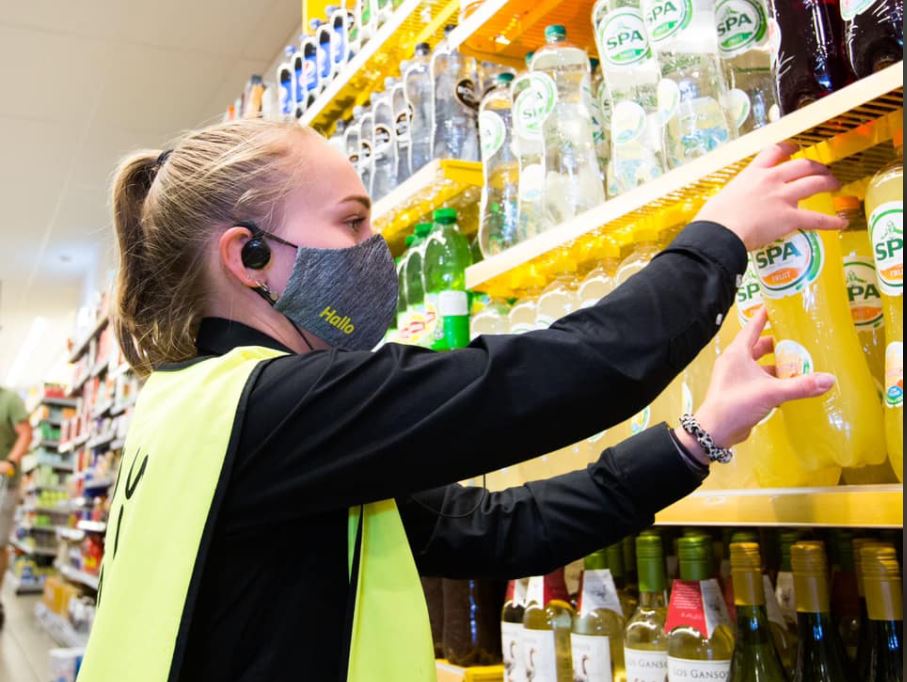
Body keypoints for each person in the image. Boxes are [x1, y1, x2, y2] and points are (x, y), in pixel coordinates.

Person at [78, 119, 844, 682]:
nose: (374, 248)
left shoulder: (188, 405)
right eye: (352, 220)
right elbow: (562, 376)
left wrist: (696, 438)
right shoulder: (271, 409)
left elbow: (496, 532)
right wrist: (718, 237)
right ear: (248, 257)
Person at [0, 385, 32, 629]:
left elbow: (25, 433)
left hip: (4, 483)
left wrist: (10, 461)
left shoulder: (9, 400)